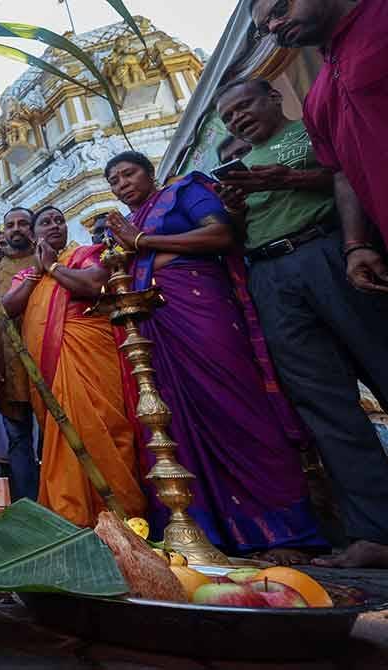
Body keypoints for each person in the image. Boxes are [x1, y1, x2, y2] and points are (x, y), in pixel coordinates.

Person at [102, 151, 324, 555]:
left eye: (128, 173)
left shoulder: (184, 191)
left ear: (152, 173)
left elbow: (221, 235)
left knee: (234, 406)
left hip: (202, 309)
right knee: (175, 422)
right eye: (114, 181)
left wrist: (142, 241)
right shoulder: (133, 222)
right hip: (158, 325)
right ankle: (206, 533)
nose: (122, 184)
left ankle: (285, 531)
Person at [216, 78, 388, 568]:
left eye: (243, 106)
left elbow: (348, 173)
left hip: (326, 251)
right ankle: (375, 531)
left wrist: (284, 179)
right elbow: (234, 235)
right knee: (324, 403)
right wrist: (233, 210)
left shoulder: (311, 133)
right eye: (228, 118)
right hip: (268, 271)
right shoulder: (241, 165)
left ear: (274, 97)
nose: (237, 120)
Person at [2, 206, 145, 526]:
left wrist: (53, 266)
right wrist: (39, 272)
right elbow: (7, 307)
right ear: (33, 234)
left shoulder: (84, 254)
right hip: (50, 370)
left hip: (89, 359)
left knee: (104, 427)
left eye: (59, 220)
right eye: (45, 222)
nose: (54, 226)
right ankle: (71, 515)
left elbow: (93, 285)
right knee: (62, 435)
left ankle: (121, 516)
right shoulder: (28, 273)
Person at [252, 0, 388, 291]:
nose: (274, 26)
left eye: (280, 9)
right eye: (265, 29)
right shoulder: (315, 101)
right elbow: (342, 173)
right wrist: (355, 244)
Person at [0, 208, 39, 500]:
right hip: (8, 366)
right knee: (18, 439)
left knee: (57, 437)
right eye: (10, 225)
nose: (16, 229)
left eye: (23, 223)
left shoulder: (48, 261)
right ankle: (28, 504)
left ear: (33, 227)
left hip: (48, 358)